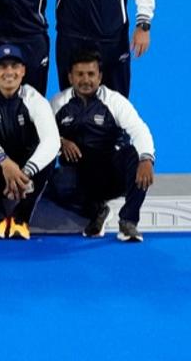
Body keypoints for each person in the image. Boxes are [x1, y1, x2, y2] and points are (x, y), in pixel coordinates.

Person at [47, 49, 155, 242]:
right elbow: (43, 136)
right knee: (52, 183)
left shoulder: (114, 101)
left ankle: (128, 221)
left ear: (100, 77)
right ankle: (97, 211)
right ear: (70, 77)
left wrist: (146, 158)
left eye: (91, 74)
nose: (85, 80)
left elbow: (139, 129)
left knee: (133, 154)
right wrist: (61, 142)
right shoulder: (57, 103)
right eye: (80, 74)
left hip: (111, 174)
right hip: (80, 177)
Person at [0, 44, 59, 240]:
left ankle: (21, 219)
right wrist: (5, 162)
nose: (9, 72)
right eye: (2, 66)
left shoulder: (34, 98)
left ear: (23, 71)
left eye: (14, 66)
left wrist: (25, 172)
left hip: (24, 175)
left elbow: (52, 141)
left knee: (49, 155)